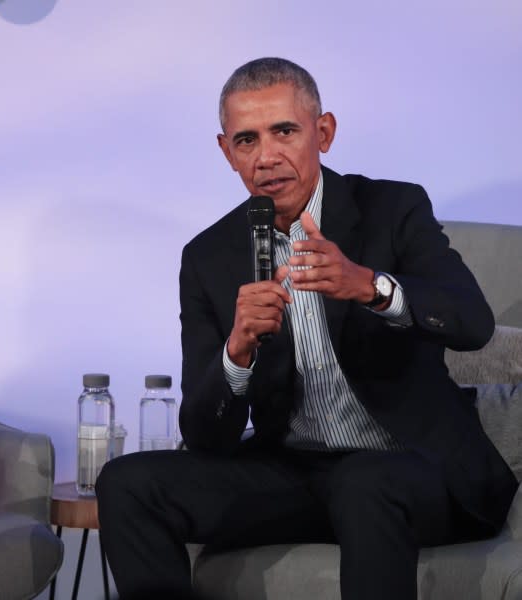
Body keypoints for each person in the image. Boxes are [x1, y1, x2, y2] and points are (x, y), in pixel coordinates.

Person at [96, 57, 518, 600]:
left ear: (324, 133)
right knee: (128, 484)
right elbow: (205, 435)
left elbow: (472, 322)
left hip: (410, 470)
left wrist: (369, 285)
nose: (267, 156)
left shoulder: (391, 207)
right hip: (294, 474)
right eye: (246, 140)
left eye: (285, 132)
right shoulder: (207, 257)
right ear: (227, 152)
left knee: (362, 482)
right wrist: (237, 351)